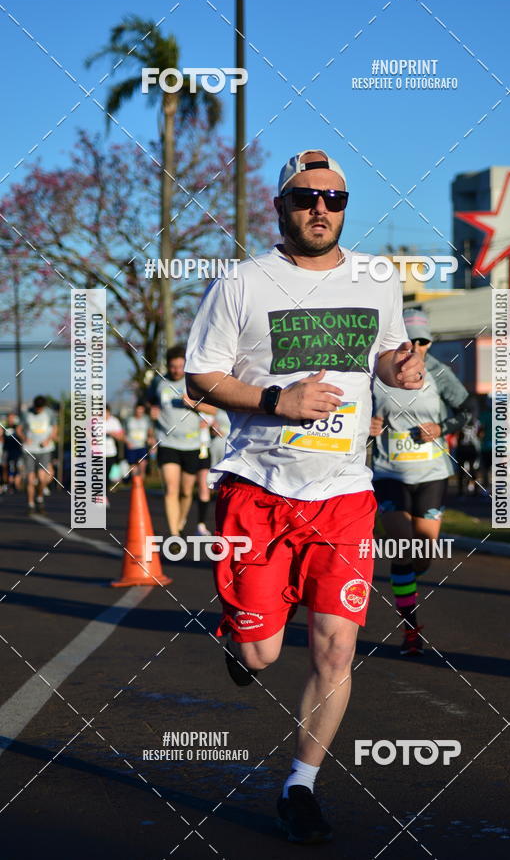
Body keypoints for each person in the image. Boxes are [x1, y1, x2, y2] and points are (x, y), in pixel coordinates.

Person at [185, 149, 424, 844]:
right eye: (305, 197)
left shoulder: (377, 278)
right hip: (259, 490)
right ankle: (244, 633)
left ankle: (301, 786)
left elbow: (386, 356)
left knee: (335, 651)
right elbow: (200, 377)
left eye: (334, 198)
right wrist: (276, 400)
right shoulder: (242, 282)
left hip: (344, 494)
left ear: (345, 206)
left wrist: (401, 369)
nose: (321, 208)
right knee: (261, 654)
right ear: (281, 206)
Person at [370, 308, 471, 656]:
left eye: (423, 341)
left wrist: (442, 428)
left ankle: (407, 587)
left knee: (423, 555)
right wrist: (367, 426)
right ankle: (410, 629)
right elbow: (351, 414)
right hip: (389, 473)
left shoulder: (439, 373)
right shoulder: (375, 373)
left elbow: (467, 411)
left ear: (429, 343)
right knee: (402, 547)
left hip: (431, 474)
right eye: (409, 340)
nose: (415, 347)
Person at [148, 345, 216, 537]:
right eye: (173, 366)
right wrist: (151, 412)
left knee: (186, 491)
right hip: (167, 442)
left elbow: (213, 409)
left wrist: (193, 404)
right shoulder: (158, 382)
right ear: (168, 365)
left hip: (192, 445)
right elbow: (149, 403)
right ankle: (174, 534)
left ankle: (180, 521)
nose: (176, 370)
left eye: (180, 366)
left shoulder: (194, 383)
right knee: (171, 489)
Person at [22, 396, 57, 515]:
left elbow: (55, 429)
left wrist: (48, 439)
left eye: (40, 409)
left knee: (42, 478)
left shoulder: (49, 413)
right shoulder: (27, 413)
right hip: (29, 450)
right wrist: (25, 438)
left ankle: (40, 498)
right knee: (30, 480)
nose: (38, 410)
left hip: (44, 450)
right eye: (37, 408)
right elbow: (19, 429)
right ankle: (30, 504)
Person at [124, 402, 153, 479]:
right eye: (138, 410)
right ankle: (135, 483)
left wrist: (150, 438)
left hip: (142, 446)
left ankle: (141, 482)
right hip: (131, 447)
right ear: (135, 410)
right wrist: (127, 441)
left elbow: (150, 430)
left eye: (141, 411)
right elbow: (123, 432)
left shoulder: (146, 419)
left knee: (142, 465)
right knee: (133, 468)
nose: (139, 413)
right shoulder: (129, 419)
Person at [2, 412, 23, 494]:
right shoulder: (4, 427)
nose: (11, 419)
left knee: (16, 468)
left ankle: (14, 484)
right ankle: (6, 484)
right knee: (5, 467)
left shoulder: (17, 427)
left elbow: (22, 436)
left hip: (16, 451)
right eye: (9, 418)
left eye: (12, 418)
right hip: (7, 450)